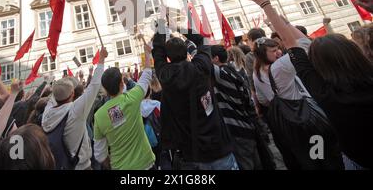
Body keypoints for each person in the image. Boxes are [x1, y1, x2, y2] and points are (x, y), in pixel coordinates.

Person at [245, 0, 363, 169]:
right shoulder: (278, 69)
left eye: (278, 49)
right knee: (322, 158)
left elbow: (298, 45)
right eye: (273, 50)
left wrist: (267, 6)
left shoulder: (324, 90)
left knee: (319, 160)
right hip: (309, 123)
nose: (278, 52)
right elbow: (302, 44)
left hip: (315, 131)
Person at [152, 20, 237, 170]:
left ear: (168, 58)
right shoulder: (202, 66)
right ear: (187, 52)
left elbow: (157, 51)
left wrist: (160, 29)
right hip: (218, 146)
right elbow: (202, 40)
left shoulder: (164, 75)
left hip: (191, 153)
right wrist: (177, 26)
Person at [42, 47, 107, 170]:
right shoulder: (75, 110)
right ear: (72, 94)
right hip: (82, 165)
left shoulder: (47, 113)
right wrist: (102, 59)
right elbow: (94, 86)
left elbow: (52, 98)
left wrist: (50, 83)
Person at [93, 43, 155, 170]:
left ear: (104, 89)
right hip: (146, 163)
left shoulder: (98, 116)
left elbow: (99, 155)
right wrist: (147, 53)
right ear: (122, 83)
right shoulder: (133, 98)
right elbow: (147, 74)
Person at [211, 45, 261, 170]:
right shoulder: (233, 70)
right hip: (247, 123)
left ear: (216, 58)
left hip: (237, 127)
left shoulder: (221, 74)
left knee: (246, 163)